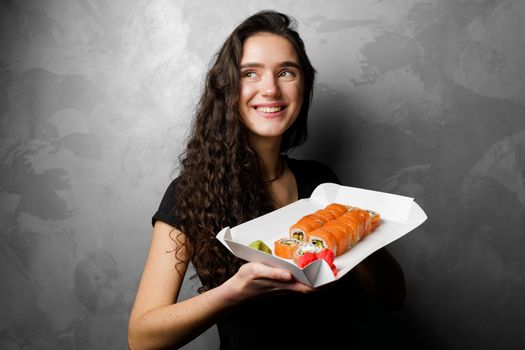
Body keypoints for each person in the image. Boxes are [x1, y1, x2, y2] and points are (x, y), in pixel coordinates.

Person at [128, 10, 406, 350]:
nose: (271, 89)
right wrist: (234, 291)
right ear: (228, 89)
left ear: (303, 86)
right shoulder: (190, 192)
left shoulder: (322, 182)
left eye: (286, 72)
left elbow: (393, 296)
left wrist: (358, 230)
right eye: (250, 73)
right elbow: (141, 339)